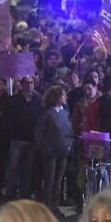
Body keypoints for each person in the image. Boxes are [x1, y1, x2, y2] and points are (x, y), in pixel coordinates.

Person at [33, 85, 75, 213]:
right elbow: (38, 133)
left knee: (58, 180)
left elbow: (69, 130)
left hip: (63, 151)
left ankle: (55, 205)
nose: (66, 97)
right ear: (56, 97)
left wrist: (69, 143)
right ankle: (47, 204)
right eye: (63, 95)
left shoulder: (64, 112)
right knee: (49, 179)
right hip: (50, 152)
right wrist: (46, 147)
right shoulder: (47, 113)